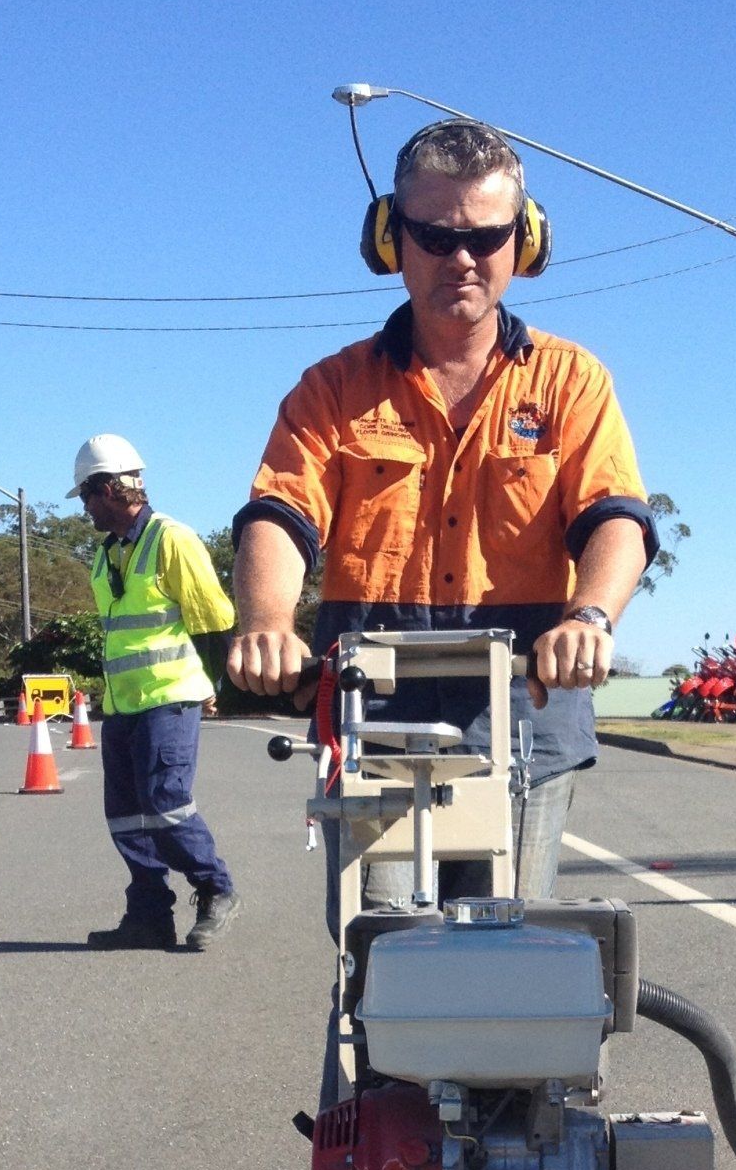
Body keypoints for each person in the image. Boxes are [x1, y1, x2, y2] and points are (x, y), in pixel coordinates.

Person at [225, 117, 656, 909]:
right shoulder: (333, 389)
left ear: (524, 243)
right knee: (380, 951)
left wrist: (590, 616)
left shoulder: (571, 383)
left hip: (525, 717)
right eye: (434, 235)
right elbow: (281, 512)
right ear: (391, 238)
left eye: (488, 238)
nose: (463, 259)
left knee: (507, 957)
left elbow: (613, 514)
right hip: (376, 718)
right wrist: (264, 620)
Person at [71, 434, 240, 951]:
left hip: (171, 696)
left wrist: (219, 689)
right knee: (125, 812)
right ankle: (148, 914)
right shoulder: (105, 555)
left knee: (166, 802)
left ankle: (216, 889)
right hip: (123, 704)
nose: (84, 509)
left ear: (107, 490)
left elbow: (215, 619)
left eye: (84, 496)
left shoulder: (172, 539)